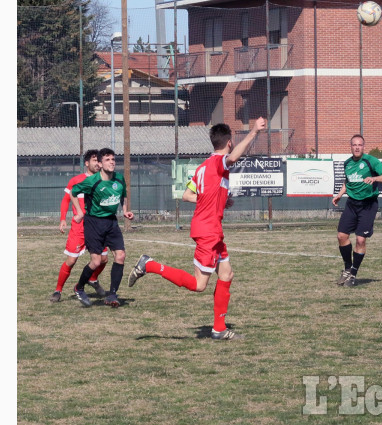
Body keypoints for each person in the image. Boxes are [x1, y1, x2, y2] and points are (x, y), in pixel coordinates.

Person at [127, 117, 266, 340]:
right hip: (208, 230)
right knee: (199, 285)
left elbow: (192, 195)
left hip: (212, 229)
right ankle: (149, 265)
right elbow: (232, 158)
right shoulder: (218, 162)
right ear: (229, 142)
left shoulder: (203, 167)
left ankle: (219, 329)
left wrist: (220, 201)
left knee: (227, 274)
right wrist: (253, 132)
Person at [70, 147, 134, 307]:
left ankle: (112, 295)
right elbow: (73, 191)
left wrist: (125, 210)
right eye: (107, 160)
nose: (112, 162)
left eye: (113, 159)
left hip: (111, 222)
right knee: (96, 261)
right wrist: (79, 212)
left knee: (120, 256)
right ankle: (79, 288)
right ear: (99, 163)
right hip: (94, 223)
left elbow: (123, 194)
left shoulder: (119, 179)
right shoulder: (93, 181)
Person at [332, 134, 382, 287]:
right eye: (354, 145)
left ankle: (353, 273)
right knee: (341, 236)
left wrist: (375, 179)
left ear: (364, 147)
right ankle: (346, 269)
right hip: (352, 204)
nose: (357, 147)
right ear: (350, 146)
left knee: (360, 239)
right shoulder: (347, 163)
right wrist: (339, 195)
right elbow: (348, 181)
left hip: (368, 205)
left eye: (360, 145)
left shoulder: (371, 161)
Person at [50, 150, 108, 302]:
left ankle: (92, 279)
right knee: (71, 261)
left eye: (99, 161)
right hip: (79, 228)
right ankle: (58, 290)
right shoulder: (76, 180)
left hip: (97, 226)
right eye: (95, 160)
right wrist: (63, 219)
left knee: (103, 259)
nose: (98, 163)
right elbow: (65, 200)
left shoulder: (104, 180)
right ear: (87, 163)